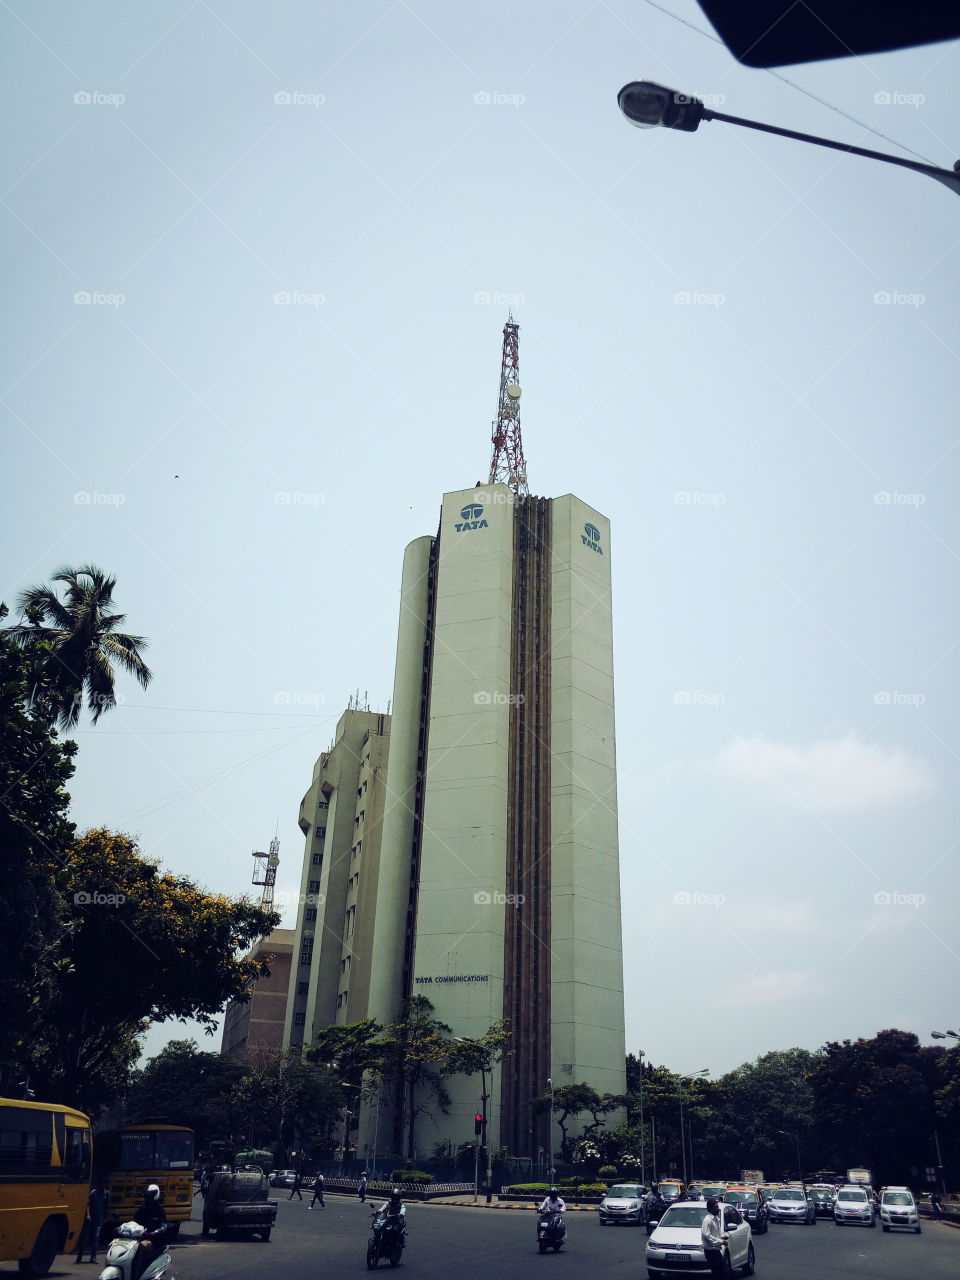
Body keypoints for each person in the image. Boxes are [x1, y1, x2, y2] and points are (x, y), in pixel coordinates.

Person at [130, 1184, 168, 1280]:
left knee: (140, 1248)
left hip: (154, 1241)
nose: (147, 1199)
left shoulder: (159, 1210)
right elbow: (133, 1221)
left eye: (149, 1196)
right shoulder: (142, 1209)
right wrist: (122, 1227)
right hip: (139, 1238)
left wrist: (154, 1233)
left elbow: (164, 1226)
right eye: (146, 1196)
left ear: (155, 1196)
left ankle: (135, 1277)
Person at [75, 1181, 109, 1264]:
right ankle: (79, 1257)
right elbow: (88, 1205)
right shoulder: (93, 1193)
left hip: (99, 1219)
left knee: (96, 1238)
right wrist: (88, 1215)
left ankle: (93, 1257)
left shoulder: (106, 1194)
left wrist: (105, 1217)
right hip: (90, 1219)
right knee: (85, 1239)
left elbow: (106, 1206)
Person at [700, 1199, 728, 1280]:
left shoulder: (717, 1219)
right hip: (710, 1252)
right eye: (716, 1207)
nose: (718, 1208)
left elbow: (714, 1234)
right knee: (718, 1274)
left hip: (716, 1251)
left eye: (718, 1206)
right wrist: (721, 1241)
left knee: (722, 1272)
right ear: (710, 1208)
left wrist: (722, 1237)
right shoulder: (707, 1220)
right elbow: (706, 1236)